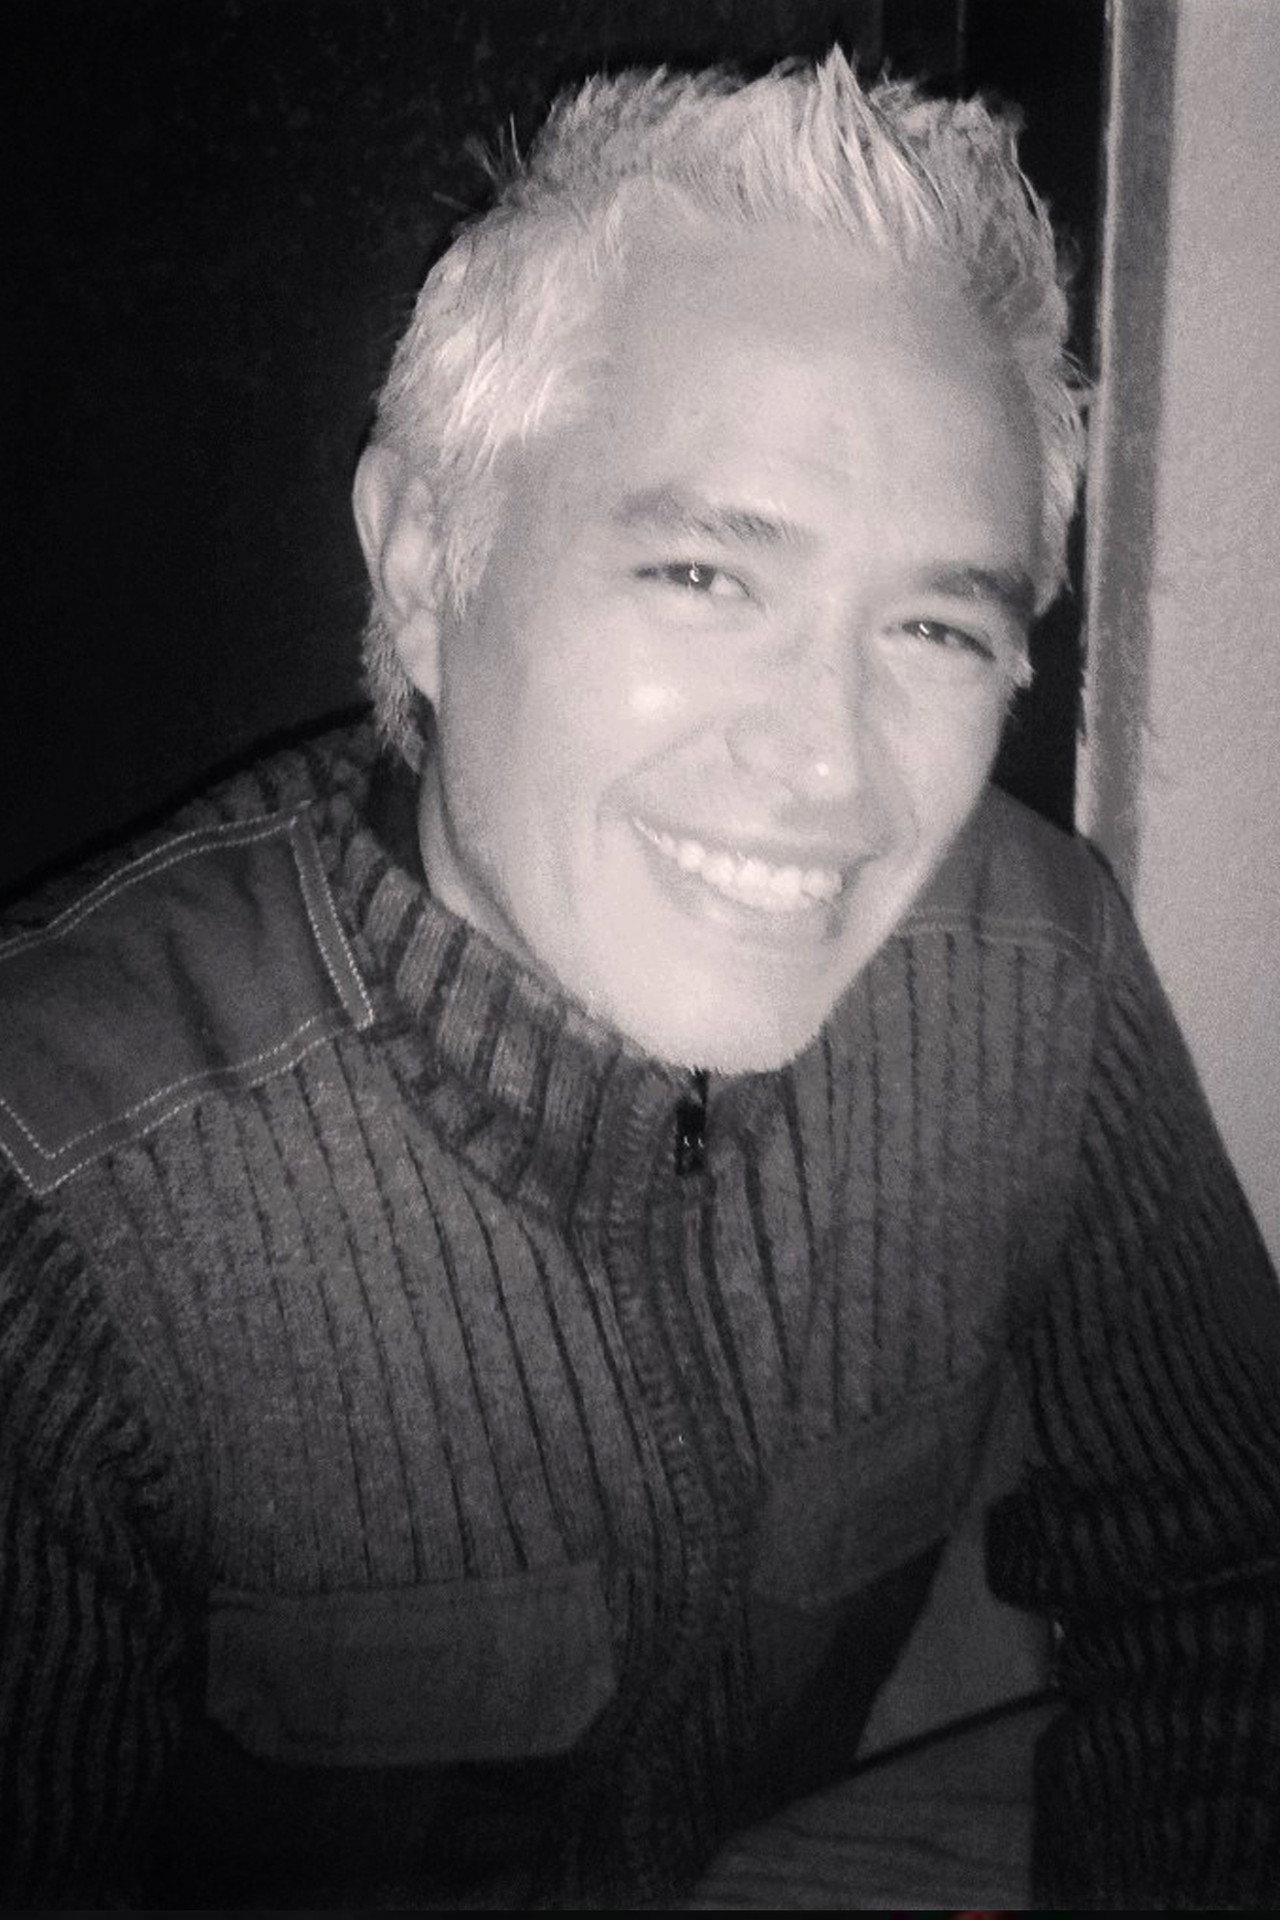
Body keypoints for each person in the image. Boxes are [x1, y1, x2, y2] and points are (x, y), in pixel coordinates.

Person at [1, 47, 1276, 1910]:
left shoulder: (1036, 966)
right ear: (424, 566)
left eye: (936, 625)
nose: (829, 767)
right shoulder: (57, 1182)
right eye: (700, 576)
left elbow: (1226, 1589)